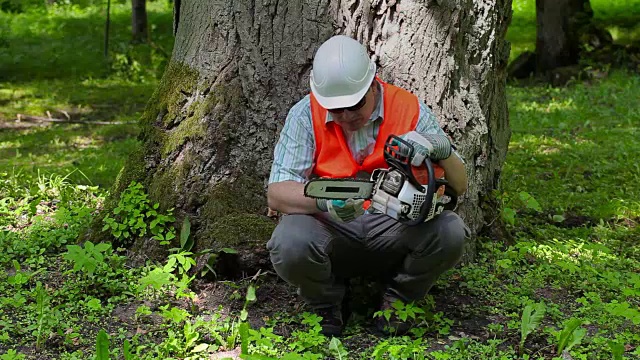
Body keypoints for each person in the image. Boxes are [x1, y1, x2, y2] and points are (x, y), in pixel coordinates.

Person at [266, 35, 469, 337]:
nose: (346, 117)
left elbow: (460, 185)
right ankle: (325, 304)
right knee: (289, 242)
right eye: (336, 110)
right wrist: (322, 203)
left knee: (450, 231)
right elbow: (277, 192)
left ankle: (399, 300)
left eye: (354, 105)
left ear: (373, 84)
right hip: (332, 230)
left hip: (395, 227)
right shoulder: (304, 114)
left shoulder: (408, 108)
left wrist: (444, 151)